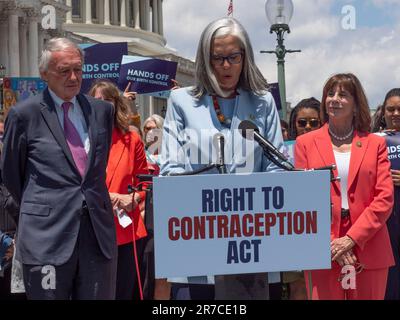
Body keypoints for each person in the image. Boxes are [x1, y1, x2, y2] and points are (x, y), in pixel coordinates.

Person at [160, 17, 284, 300]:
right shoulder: (181, 101)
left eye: (233, 57)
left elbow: (277, 167)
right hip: (197, 237)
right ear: (206, 59)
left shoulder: (262, 102)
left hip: (253, 239)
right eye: (218, 58)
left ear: (245, 58)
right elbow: (170, 169)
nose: (226, 66)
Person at [0, 38, 117, 300]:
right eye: (64, 70)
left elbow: (94, 172)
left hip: (97, 241)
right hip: (46, 242)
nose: (74, 77)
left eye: (78, 69)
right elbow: (11, 176)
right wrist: (38, 213)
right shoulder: (23, 115)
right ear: (44, 74)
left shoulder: (102, 112)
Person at [295, 73, 394, 300]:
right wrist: (332, 243)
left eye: (343, 94)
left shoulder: (375, 143)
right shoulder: (305, 144)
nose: (334, 99)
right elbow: (302, 198)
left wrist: (351, 239)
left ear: (356, 104)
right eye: (330, 94)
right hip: (322, 247)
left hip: (369, 245)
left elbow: (385, 198)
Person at [88, 80, 149, 300]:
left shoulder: (131, 139)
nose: (102, 105)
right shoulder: (79, 139)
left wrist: (134, 196)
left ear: (116, 104)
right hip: (91, 232)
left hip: (126, 233)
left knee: (124, 293)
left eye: (107, 100)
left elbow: (147, 181)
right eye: (97, 100)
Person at [373, 88, 400, 300]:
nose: (396, 114)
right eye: (391, 109)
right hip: (385, 221)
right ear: (383, 112)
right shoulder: (374, 141)